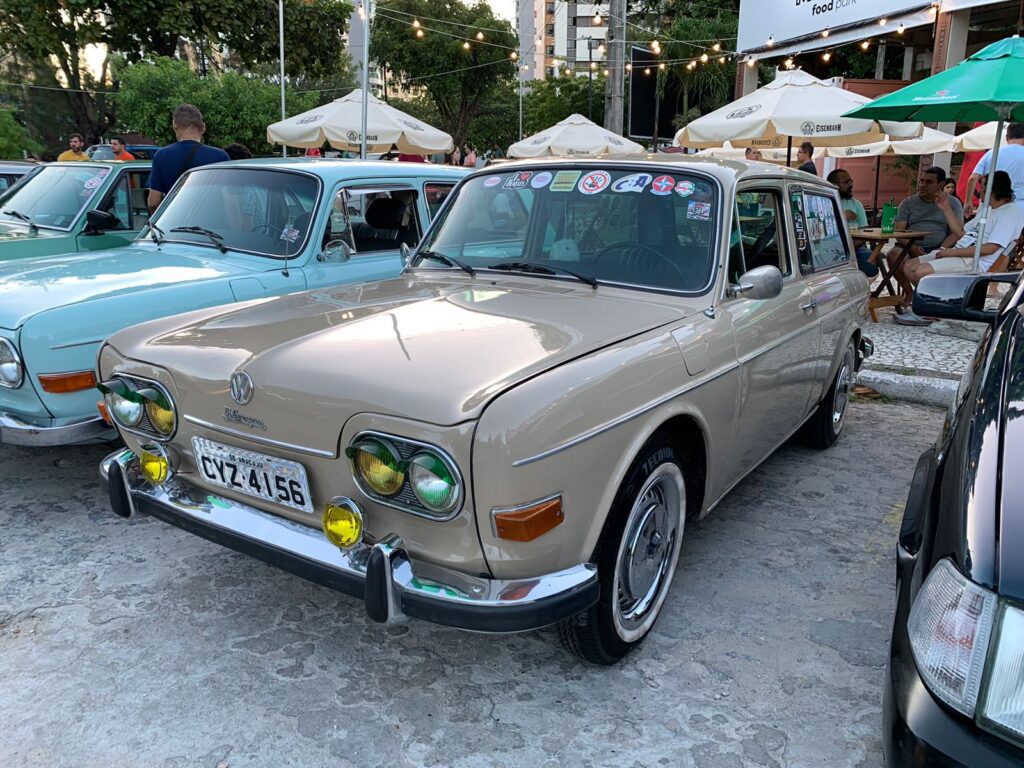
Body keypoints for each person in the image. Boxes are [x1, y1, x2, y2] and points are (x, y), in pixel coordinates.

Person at [897, 171, 1024, 325]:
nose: (978, 192)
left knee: (920, 271)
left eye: (982, 188)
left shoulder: (1010, 212)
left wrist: (951, 252)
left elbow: (990, 248)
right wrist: (946, 208)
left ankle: (932, 311)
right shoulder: (987, 208)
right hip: (960, 252)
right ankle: (936, 306)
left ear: (993, 190)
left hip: (974, 260)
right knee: (908, 266)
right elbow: (962, 232)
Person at [146, 104, 230, 214]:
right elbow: (230, 199)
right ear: (203, 127)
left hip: (176, 223)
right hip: (212, 223)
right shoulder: (220, 156)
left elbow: (153, 202)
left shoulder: (162, 155)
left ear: (174, 125)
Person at [965, 123, 1024, 215]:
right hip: (1018, 208)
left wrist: (968, 202)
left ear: (1007, 137)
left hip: (989, 207)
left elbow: (973, 178)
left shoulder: (992, 153)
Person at [827, 169, 875, 277]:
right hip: (829, 249)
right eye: (846, 182)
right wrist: (843, 217)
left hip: (854, 248)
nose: (851, 185)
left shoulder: (856, 204)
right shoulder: (824, 203)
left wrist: (847, 248)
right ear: (834, 185)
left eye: (851, 181)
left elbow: (864, 232)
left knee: (871, 263)